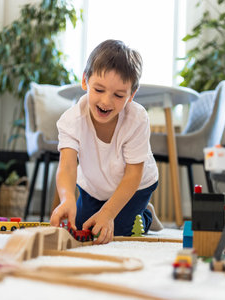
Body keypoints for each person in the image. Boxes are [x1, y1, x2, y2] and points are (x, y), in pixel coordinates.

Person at [50, 39, 162, 244]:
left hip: (135, 186)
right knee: (85, 227)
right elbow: (66, 166)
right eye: (99, 90)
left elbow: (133, 175)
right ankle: (122, 213)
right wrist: (67, 198)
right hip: (94, 186)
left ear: (131, 95)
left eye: (118, 95)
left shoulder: (137, 118)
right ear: (85, 81)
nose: (106, 102)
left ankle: (144, 215)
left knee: (117, 231)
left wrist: (109, 212)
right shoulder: (71, 120)